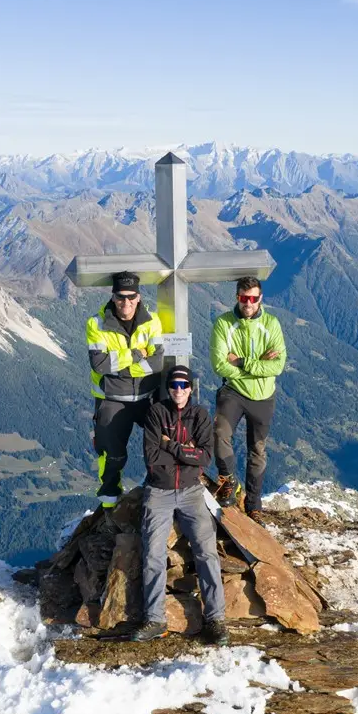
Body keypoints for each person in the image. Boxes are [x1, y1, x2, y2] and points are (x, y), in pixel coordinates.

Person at [130, 366, 228, 645]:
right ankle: (155, 619)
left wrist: (170, 445)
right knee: (153, 554)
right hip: (158, 491)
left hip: (190, 491)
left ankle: (216, 620)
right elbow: (151, 457)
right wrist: (187, 452)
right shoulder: (156, 414)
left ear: (191, 388)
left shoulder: (200, 415)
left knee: (207, 551)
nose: (178, 390)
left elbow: (205, 457)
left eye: (184, 385)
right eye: (174, 385)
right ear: (168, 387)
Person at [209, 276, 286, 523]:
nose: (249, 303)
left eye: (253, 298)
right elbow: (219, 364)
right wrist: (258, 365)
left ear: (260, 298)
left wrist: (242, 362)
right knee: (220, 432)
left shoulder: (272, 324)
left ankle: (254, 505)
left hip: (263, 396)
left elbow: (278, 365)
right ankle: (229, 482)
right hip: (233, 391)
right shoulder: (223, 323)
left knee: (258, 451)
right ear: (237, 298)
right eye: (244, 298)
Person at [86, 271, 164, 507]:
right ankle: (109, 502)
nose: (126, 302)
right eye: (121, 297)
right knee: (112, 453)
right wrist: (137, 355)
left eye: (131, 297)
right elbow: (99, 365)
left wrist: (120, 367)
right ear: (113, 296)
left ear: (139, 297)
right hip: (111, 398)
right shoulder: (96, 323)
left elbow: (157, 362)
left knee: (162, 442)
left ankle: (162, 491)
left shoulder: (152, 321)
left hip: (146, 396)